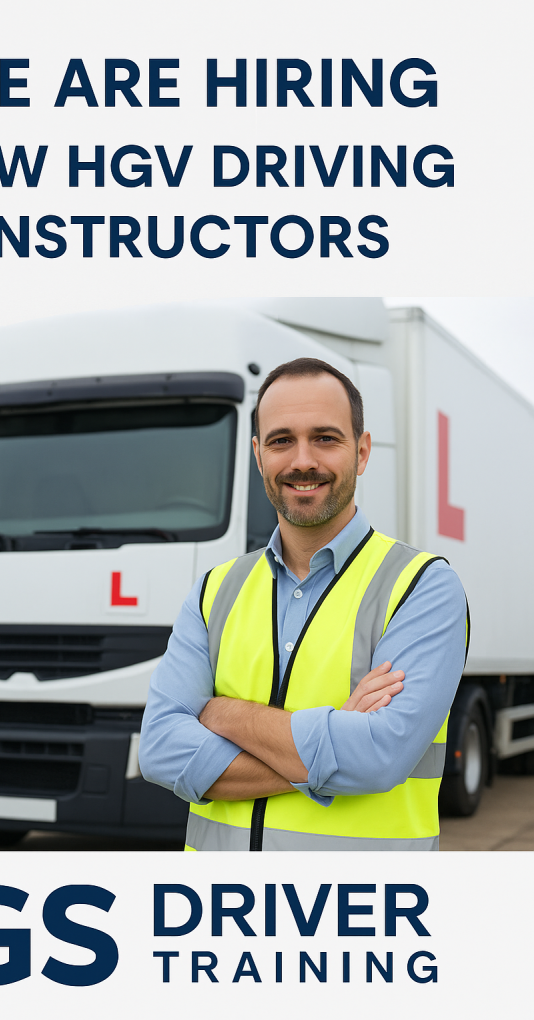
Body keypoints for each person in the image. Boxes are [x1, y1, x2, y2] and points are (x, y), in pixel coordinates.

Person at [139, 357, 468, 851]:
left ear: (362, 450)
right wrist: (332, 737)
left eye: (325, 438)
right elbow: (160, 750)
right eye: (280, 440)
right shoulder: (215, 590)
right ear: (258, 453)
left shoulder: (422, 586)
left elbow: (378, 756)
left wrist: (222, 714)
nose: (302, 461)